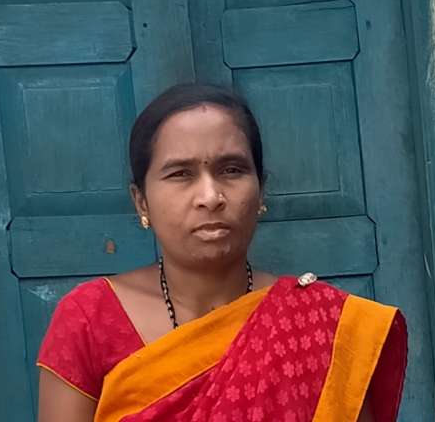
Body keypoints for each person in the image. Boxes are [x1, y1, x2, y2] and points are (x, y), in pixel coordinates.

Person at [37, 84, 407, 422]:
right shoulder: (90, 319)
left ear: (261, 191)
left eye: (231, 170)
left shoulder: (325, 327)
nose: (210, 197)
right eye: (180, 174)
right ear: (141, 201)